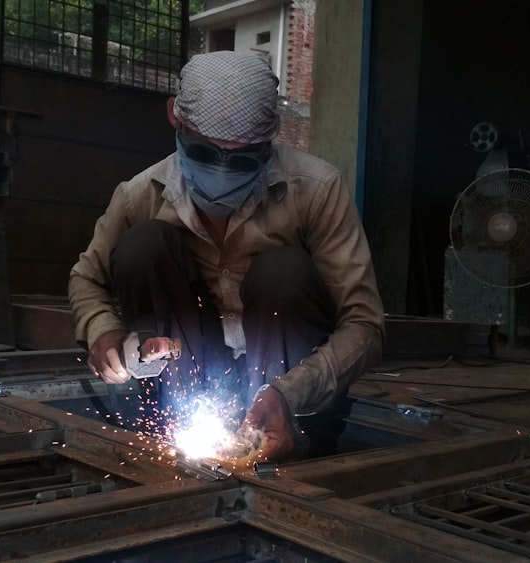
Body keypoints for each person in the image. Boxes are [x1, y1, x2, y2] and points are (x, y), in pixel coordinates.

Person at [68, 51, 384, 466]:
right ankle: (173, 421)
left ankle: (288, 437)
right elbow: (86, 279)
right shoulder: (139, 195)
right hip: (189, 378)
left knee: (281, 271)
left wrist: (289, 393)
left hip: (292, 397)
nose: (221, 169)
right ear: (174, 118)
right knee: (144, 246)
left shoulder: (317, 190)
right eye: (203, 152)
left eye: (242, 158)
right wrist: (103, 331)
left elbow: (364, 324)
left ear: (271, 136)